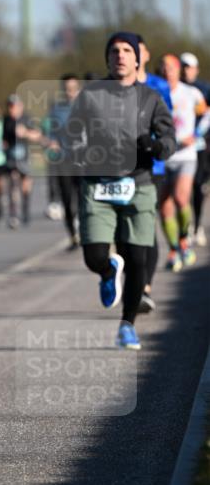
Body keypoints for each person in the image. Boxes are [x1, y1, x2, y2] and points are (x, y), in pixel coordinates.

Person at [66, 32, 175, 350]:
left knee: (138, 258)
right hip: (98, 185)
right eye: (114, 50)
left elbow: (169, 138)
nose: (121, 55)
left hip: (138, 184)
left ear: (137, 59)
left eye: (127, 50)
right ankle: (106, 270)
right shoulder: (91, 95)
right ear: (107, 58)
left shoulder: (151, 97)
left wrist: (155, 146)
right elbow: (71, 133)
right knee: (94, 256)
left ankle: (127, 325)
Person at [133, 37, 173, 312]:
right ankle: (133, 281)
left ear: (145, 55)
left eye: (137, 49)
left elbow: (166, 125)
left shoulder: (159, 86)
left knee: (146, 226)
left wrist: (155, 144)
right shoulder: (111, 87)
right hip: (120, 168)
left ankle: (144, 288)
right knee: (125, 233)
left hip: (152, 168)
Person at [158, 54, 208, 271]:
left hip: (186, 155)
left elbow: (206, 113)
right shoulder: (154, 93)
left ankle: (184, 239)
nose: (166, 71)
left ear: (178, 70)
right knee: (164, 207)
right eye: (163, 68)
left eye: (170, 67)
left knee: (180, 197)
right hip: (162, 157)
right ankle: (173, 249)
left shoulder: (191, 92)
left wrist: (196, 135)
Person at [43, 74, 81, 249]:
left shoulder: (87, 107)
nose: (70, 92)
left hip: (83, 160)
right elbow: (50, 131)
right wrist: (52, 142)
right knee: (66, 198)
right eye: (67, 88)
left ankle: (84, 230)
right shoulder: (56, 110)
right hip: (64, 160)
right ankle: (72, 236)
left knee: (84, 197)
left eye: (73, 88)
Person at [180, 52, 210, 247]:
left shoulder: (204, 89)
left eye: (189, 67)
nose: (186, 71)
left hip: (199, 146)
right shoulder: (172, 88)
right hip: (178, 148)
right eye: (183, 66)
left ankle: (198, 225)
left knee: (198, 186)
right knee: (182, 190)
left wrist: (198, 134)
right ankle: (186, 227)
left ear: (196, 70)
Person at [2, 95, 39, 229]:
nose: (12, 109)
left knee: (25, 187)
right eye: (10, 106)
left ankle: (25, 211)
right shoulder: (6, 120)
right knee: (12, 185)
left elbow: (37, 135)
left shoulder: (26, 119)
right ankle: (13, 215)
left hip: (25, 158)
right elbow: (3, 138)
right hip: (11, 159)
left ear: (20, 107)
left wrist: (25, 133)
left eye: (14, 106)